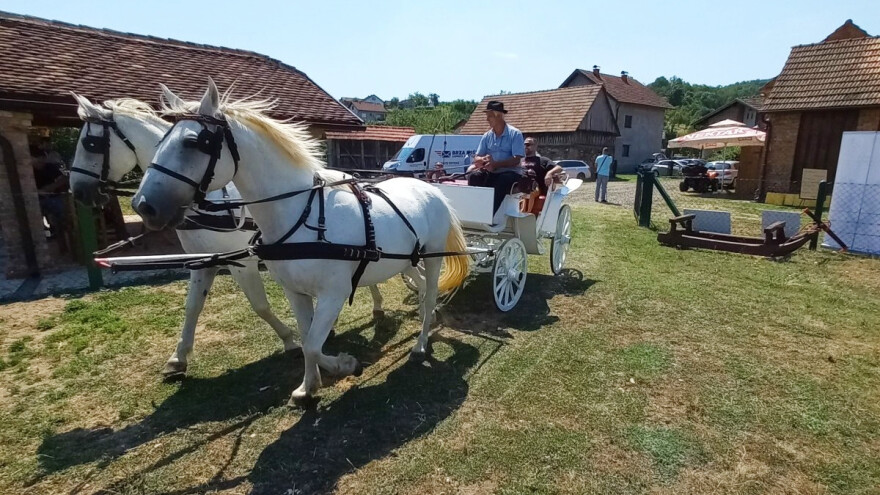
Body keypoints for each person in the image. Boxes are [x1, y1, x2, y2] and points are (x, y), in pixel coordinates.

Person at [468, 100, 525, 213]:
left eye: (489, 116)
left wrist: (495, 164)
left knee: (502, 179)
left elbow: (516, 160)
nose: (487, 119)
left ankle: (488, 215)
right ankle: (475, 212)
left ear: (498, 115)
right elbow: (477, 157)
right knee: (474, 176)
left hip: (511, 173)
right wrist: (483, 160)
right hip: (492, 172)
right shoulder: (487, 136)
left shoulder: (515, 134)